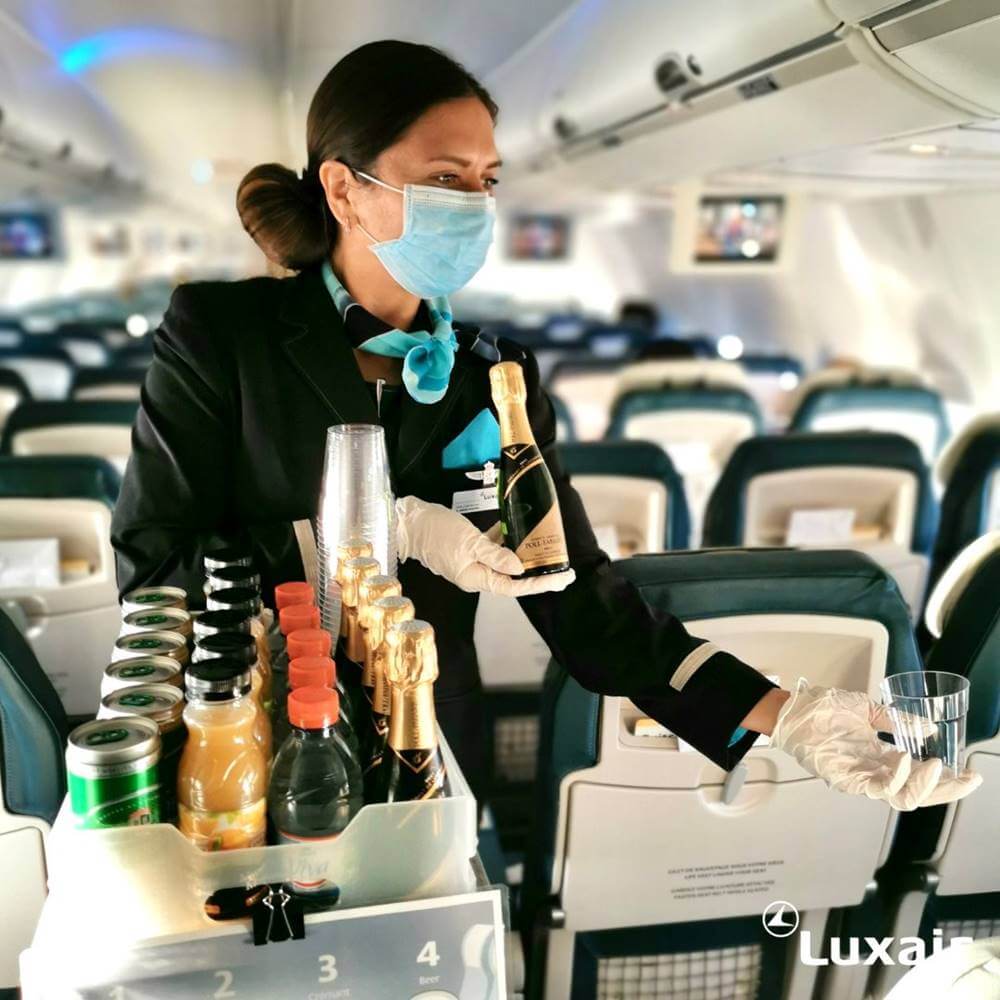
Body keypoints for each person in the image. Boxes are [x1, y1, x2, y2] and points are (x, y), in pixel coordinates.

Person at [111, 40, 979, 811]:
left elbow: (585, 604)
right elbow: (154, 563)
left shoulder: (500, 376)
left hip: (434, 743)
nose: (474, 202)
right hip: (246, 744)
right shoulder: (223, 335)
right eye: (445, 177)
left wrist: (791, 717)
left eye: (486, 180)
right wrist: (386, 534)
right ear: (343, 187)